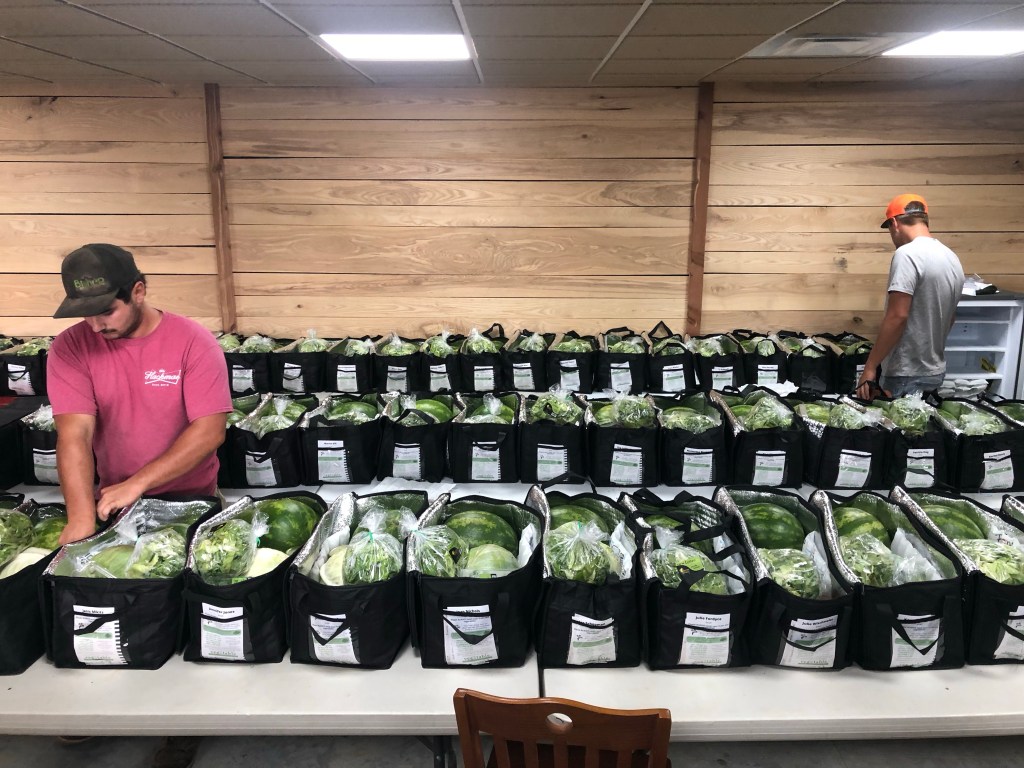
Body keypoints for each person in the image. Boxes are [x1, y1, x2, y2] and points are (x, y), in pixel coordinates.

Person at [47, 243, 232, 768]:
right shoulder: (71, 347)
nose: (95, 324)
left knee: (181, 614)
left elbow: (209, 431)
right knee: (110, 602)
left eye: (106, 310)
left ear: (139, 291)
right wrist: (80, 518)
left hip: (190, 501)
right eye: (84, 313)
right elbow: (74, 435)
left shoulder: (191, 342)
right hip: (115, 504)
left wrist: (138, 483)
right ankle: (97, 708)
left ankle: (181, 724)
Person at [855, 194, 965, 400]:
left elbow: (898, 316)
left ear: (894, 223)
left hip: (904, 372)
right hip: (935, 371)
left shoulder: (907, 254)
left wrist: (870, 367)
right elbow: (950, 317)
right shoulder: (951, 257)